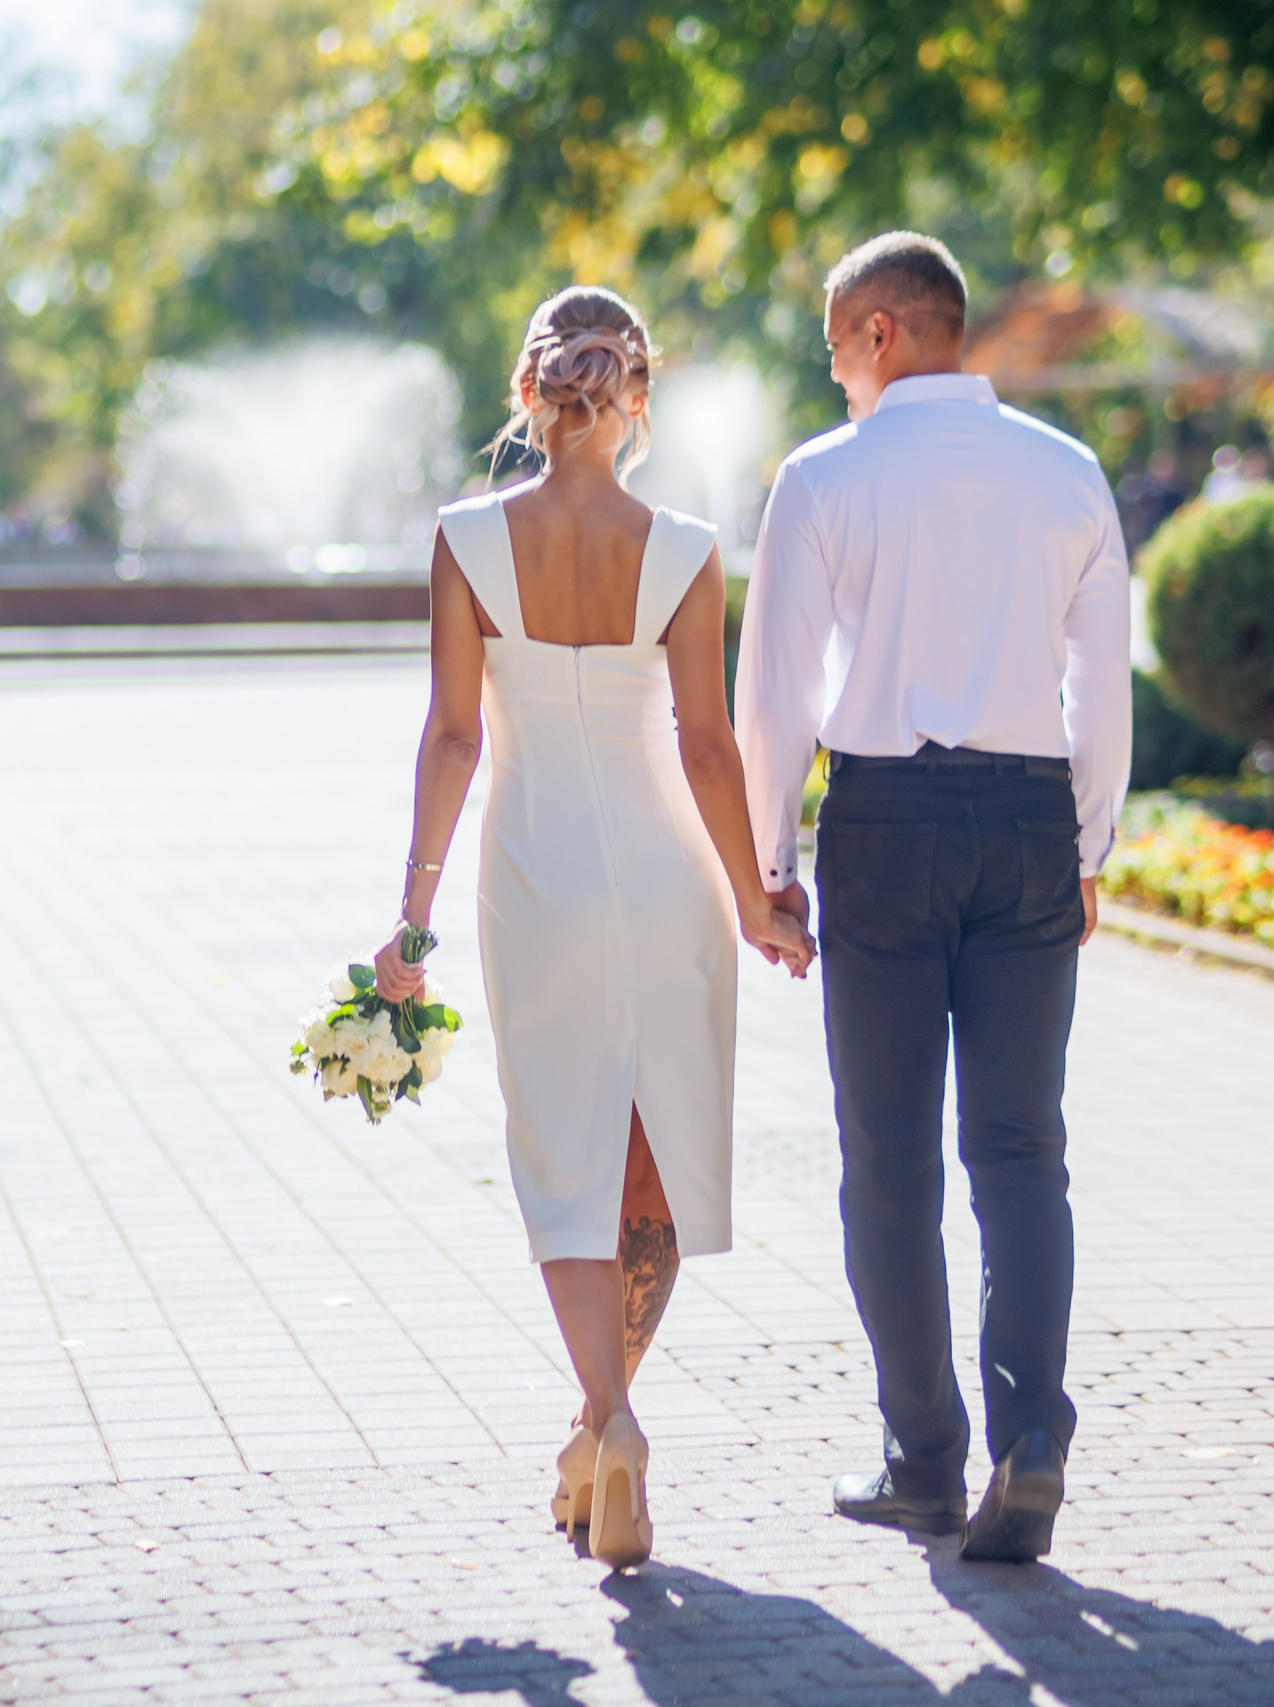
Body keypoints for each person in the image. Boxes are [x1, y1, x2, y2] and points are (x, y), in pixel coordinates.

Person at [373, 285, 815, 1569]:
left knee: (563, 1162)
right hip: (664, 868)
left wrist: (411, 914)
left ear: (528, 397)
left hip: (534, 875)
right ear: (634, 402)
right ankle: (603, 1423)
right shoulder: (681, 546)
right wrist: (750, 900)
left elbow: (453, 734)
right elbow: (707, 746)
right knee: (652, 1159)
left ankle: (606, 1423)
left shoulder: (464, 538)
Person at [732, 232, 1132, 1563]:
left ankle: (923, 1453)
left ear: (885, 332)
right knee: (1023, 1146)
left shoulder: (824, 476)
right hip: (1028, 816)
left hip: (889, 823)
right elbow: (1102, 685)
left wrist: (770, 864)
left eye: (836, 343)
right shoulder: (1067, 472)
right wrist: (1087, 845)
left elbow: (778, 687)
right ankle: (1032, 1439)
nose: (834, 369)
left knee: (889, 1153)